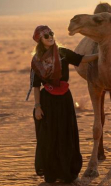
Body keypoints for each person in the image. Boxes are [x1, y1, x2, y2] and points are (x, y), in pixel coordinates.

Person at [26, 25, 98, 183]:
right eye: (46, 36)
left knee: (67, 135)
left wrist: (99, 55)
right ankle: (52, 174)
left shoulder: (63, 53)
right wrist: (37, 107)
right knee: (50, 137)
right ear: (40, 40)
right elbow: (36, 86)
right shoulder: (36, 61)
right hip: (47, 102)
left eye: (51, 33)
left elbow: (80, 59)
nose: (50, 37)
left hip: (65, 99)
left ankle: (69, 173)